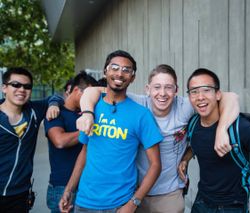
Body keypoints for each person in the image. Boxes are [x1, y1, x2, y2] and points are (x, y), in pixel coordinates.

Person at [76, 64, 239, 213]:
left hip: (169, 193)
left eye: (169, 88)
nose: (162, 93)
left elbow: (230, 97)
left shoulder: (185, 106)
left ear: (176, 90)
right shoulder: (136, 103)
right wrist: (87, 114)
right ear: (148, 89)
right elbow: (91, 91)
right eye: (157, 87)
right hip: (135, 192)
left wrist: (222, 130)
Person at [59, 50, 163, 213]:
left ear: (133, 77)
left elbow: (156, 165)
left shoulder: (142, 115)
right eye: (115, 67)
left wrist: (133, 203)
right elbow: (84, 153)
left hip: (120, 204)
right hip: (84, 202)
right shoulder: (91, 108)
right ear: (105, 71)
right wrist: (69, 190)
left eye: (126, 70)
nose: (120, 73)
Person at [178, 68, 250, 213]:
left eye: (206, 90)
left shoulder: (241, 128)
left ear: (218, 94)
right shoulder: (193, 124)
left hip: (233, 206)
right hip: (201, 202)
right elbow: (196, 145)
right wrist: (186, 158)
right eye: (194, 91)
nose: (200, 97)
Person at [0, 67, 63, 212]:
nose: (22, 89)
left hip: (19, 195)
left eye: (27, 86)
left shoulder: (34, 111)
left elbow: (56, 97)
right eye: (16, 85)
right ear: (4, 88)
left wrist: (53, 104)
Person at [44, 71, 98, 213]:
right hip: (62, 187)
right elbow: (60, 141)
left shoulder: (88, 113)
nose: (91, 100)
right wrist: (88, 127)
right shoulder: (55, 112)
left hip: (87, 185)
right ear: (76, 90)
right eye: (89, 95)